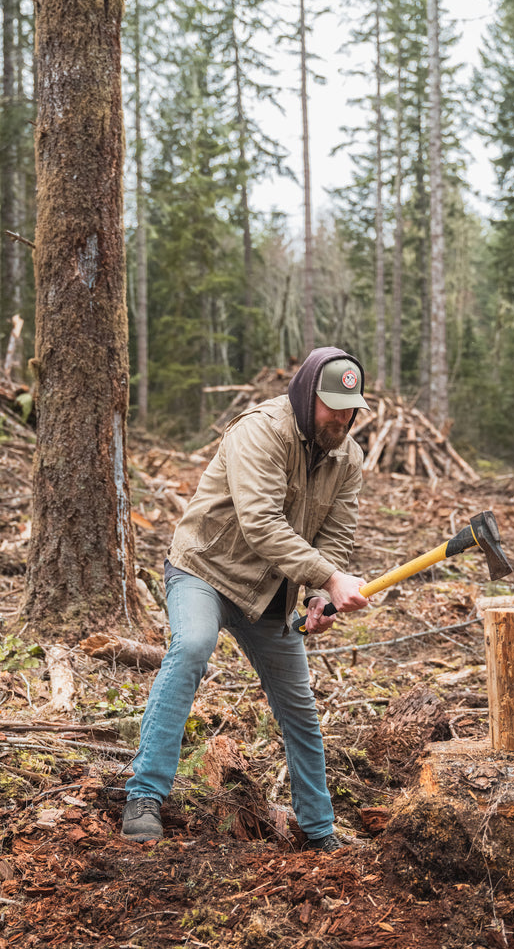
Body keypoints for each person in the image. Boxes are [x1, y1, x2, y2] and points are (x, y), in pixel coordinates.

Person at [121, 347, 371, 851]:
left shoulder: (349, 456)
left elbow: (337, 536)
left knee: (299, 706)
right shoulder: (260, 431)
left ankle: (319, 829)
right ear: (306, 397)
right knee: (192, 646)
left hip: (271, 594)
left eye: (351, 408)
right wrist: (328, 575)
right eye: (331, 406)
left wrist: (323, 591)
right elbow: (261, 524)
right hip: (206, 570)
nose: (341, 418)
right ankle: (144, 796)